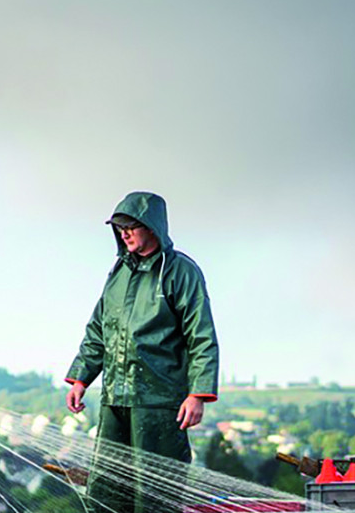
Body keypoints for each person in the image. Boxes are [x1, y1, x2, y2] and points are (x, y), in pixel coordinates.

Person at [65, 191, 219, 513]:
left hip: (160, 404)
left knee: (155, 498)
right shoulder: (118, 274)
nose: (123, 233)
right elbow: (98, 330)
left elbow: (201, 336)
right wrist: (81, 378)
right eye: (119, 226)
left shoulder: (182, 272)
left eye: (130, 226)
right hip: (115, 401)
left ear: (152, 227)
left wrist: (198, 394)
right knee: (107, 491)